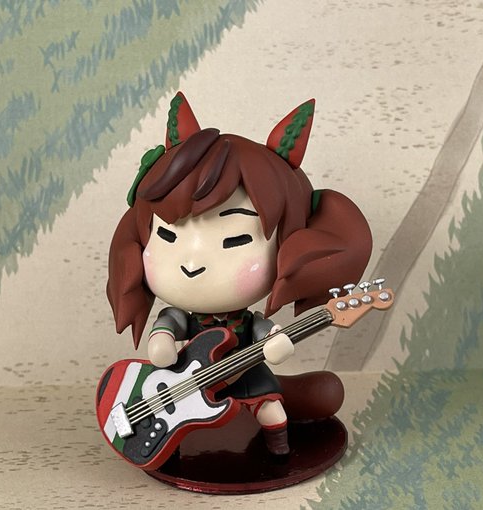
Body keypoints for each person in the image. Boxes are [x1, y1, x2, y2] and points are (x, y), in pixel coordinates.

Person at [107, 92, 372, 455]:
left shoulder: (249, 322)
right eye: (168, 236)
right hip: (185, 386)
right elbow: (166, 332)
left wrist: (277, 344)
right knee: (193, 429)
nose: (192, 264)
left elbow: (268, 338)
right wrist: (162, 343)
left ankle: (278, 451)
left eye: (234, 241)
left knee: (272, 411)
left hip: (246, 372)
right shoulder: (182, 316)